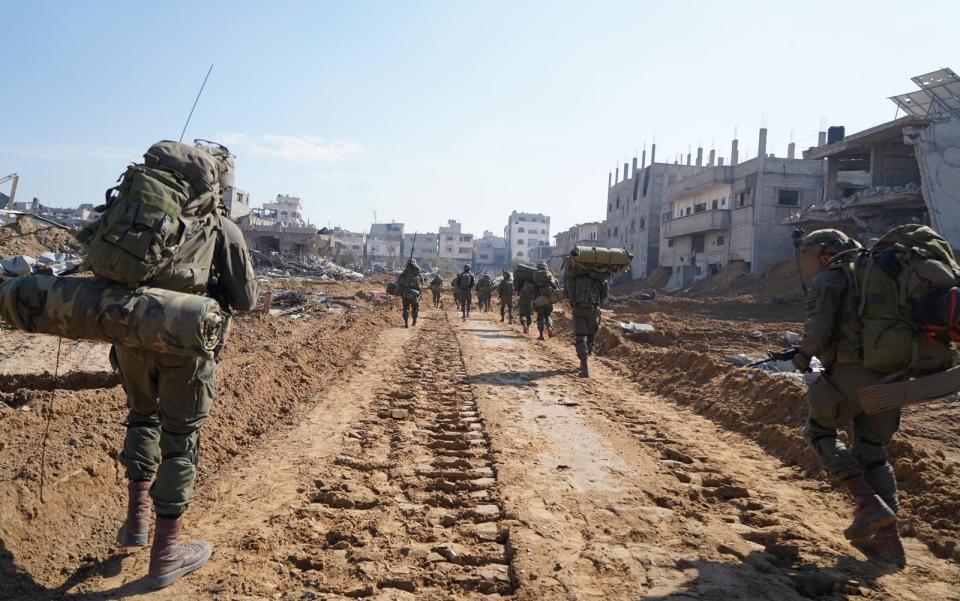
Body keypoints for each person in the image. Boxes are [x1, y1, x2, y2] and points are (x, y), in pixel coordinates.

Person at [113, 141, 258, 589]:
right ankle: (165, 555)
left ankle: (136, 522)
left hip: (129, 338)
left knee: (141, 418)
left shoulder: (134, 214)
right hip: (186, 349)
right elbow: (247, 300)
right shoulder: (220, 229)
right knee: (180, 441)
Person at [793, 229, 906, 567]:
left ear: (826, 255)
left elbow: (819, 328)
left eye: (809, 257)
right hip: (892, 375)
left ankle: (868, 503)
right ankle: (890, 542)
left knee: (818, 430)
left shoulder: (831, 277)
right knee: (872, 451)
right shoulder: (880, 274)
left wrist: (802, 355)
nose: (807, 265)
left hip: (851, 373)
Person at [565, 262, 609, 378]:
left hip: (579, 310)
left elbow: (568, 292)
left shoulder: (574, 278)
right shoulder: (599, 278)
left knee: (581, 338)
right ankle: (585, 358)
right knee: (590, 337)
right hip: (593, 311)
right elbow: (604, 296)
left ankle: (584, 366)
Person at [396, 259, 425, 327]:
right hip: (415, 294)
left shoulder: (404, 273)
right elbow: (422, 284)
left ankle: (406, 322)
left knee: (406, 307)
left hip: (405, 293)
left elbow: (398, 282)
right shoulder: (418, 273)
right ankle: (414, 321)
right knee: (415, 307)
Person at [533, 262, 559, 340]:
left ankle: (541, 335)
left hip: (540, 301)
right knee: (548, 315)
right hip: (549, 301)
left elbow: (533, 290)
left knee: (540, 317)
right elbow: (556, 288)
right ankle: (549, 327)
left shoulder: (536, 278)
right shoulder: (551, 277)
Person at [515, 269, 535, 334]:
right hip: (530, 302)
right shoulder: (533, 285)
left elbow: (518, 292)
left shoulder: (522, 284)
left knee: (522, 314)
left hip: (522, 301)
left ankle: (524, 324)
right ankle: (528, 328)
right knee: (528, 315)